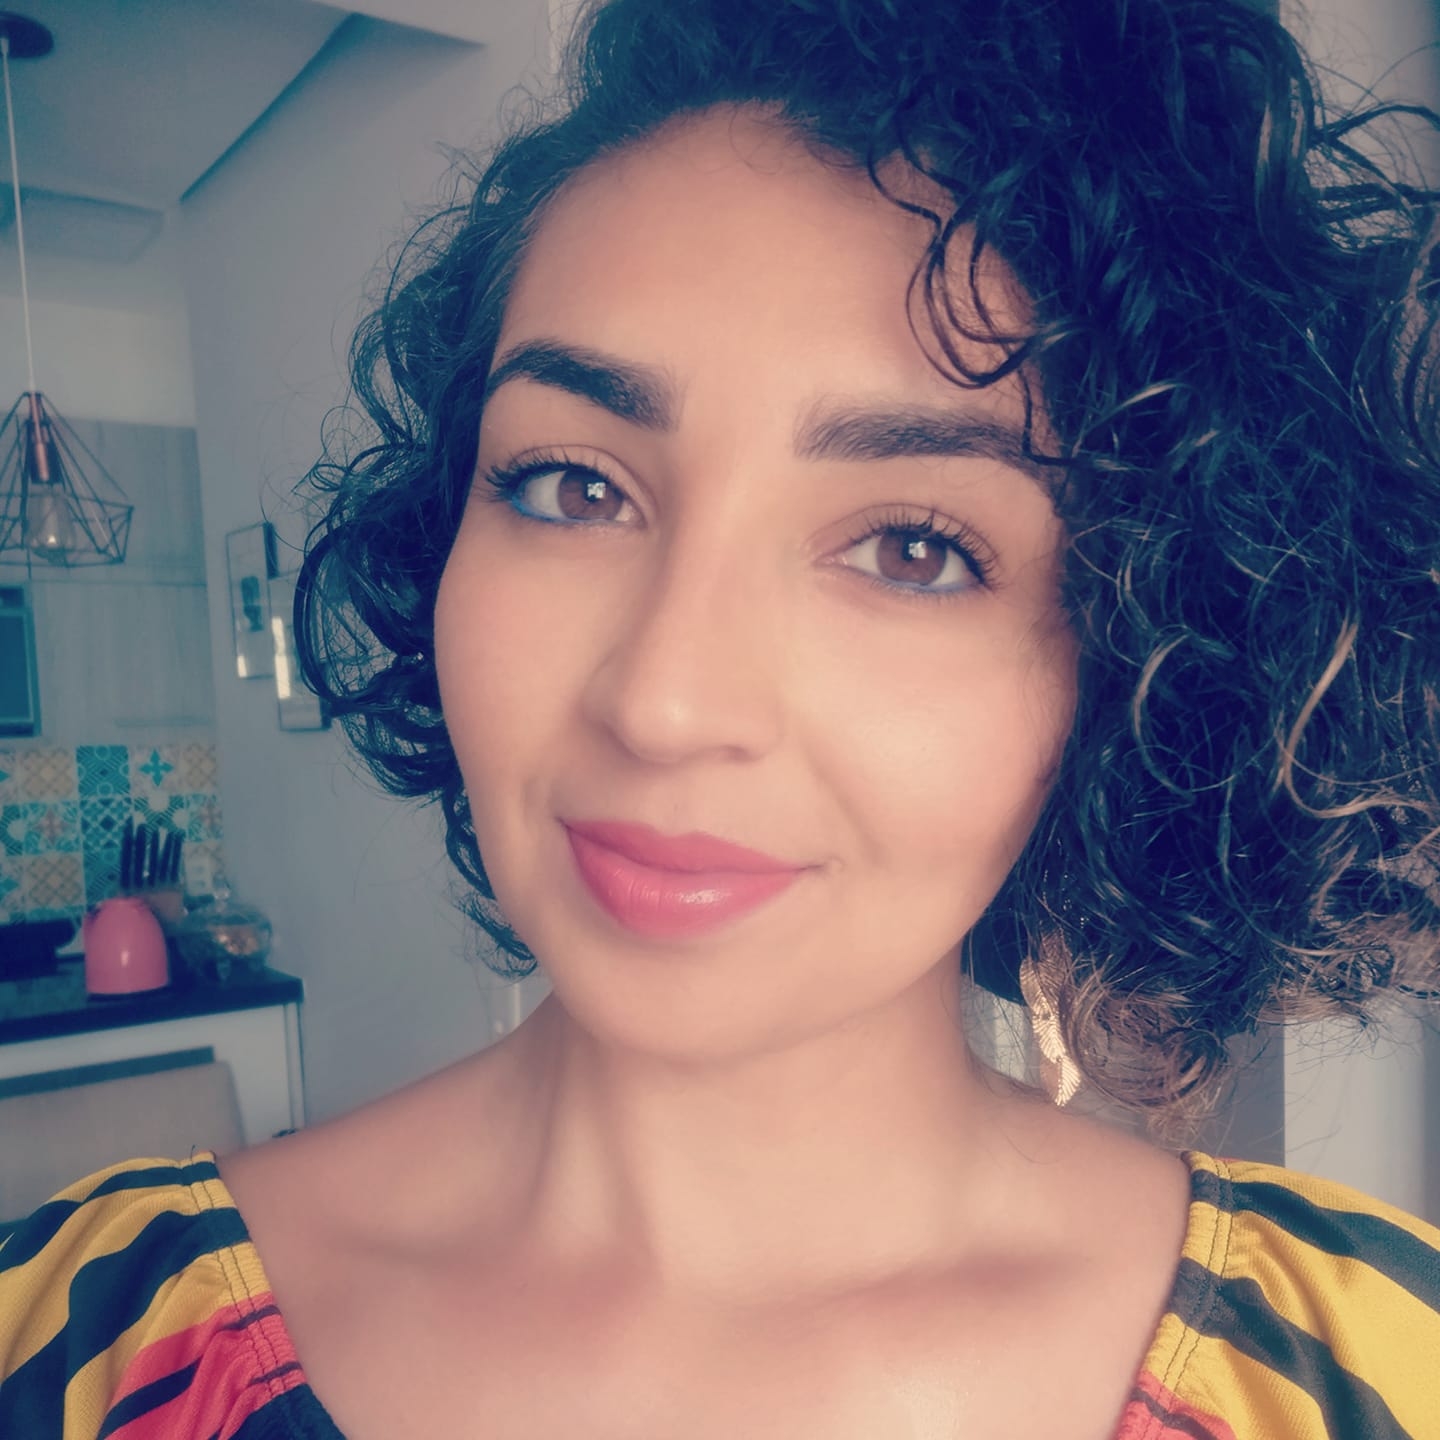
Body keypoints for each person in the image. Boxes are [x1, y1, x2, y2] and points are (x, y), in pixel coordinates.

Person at [3, 0, 1439, 1435]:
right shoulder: (71, 1339)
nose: (664, 700)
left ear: (1133, 661)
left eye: (913, 549)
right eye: (574, 486)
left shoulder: (1374, 1365)